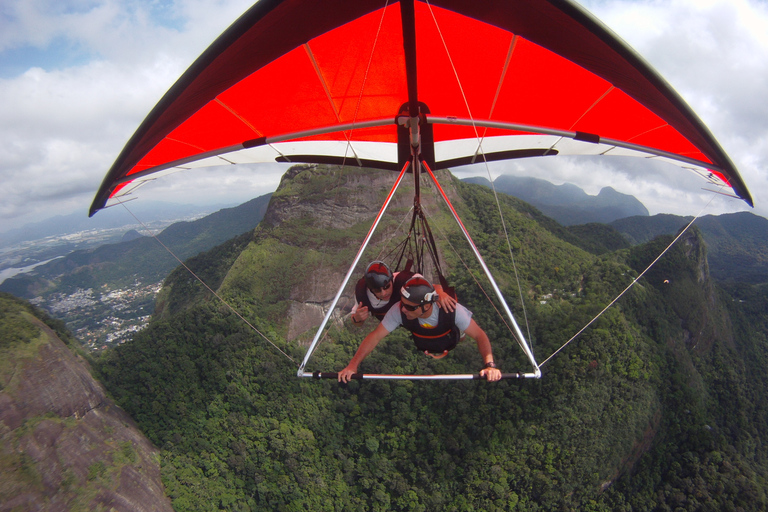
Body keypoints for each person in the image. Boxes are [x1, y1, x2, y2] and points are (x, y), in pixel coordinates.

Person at [339, 275, 502, 382]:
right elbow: (375, 337)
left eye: (410, 308)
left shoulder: (452, 310)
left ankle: (461, 334)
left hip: (449, 333)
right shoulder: (399, 309)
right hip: (423, 339)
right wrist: (352, 365)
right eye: (403, 304)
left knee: (462, 333)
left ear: (426, 306)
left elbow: (480, 335)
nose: (403, 309)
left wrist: (490, 365)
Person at [349, 261, 456, 326]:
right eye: (377, 290)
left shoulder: (405, 280)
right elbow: (356, 322)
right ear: (370, 289)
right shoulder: (362, 293)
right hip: (393, 321)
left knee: (441, 303)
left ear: (392, 279)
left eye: (387, 287)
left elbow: (432, 286)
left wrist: (441, 292)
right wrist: (357, 319)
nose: (383, 293)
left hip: (413, 318)